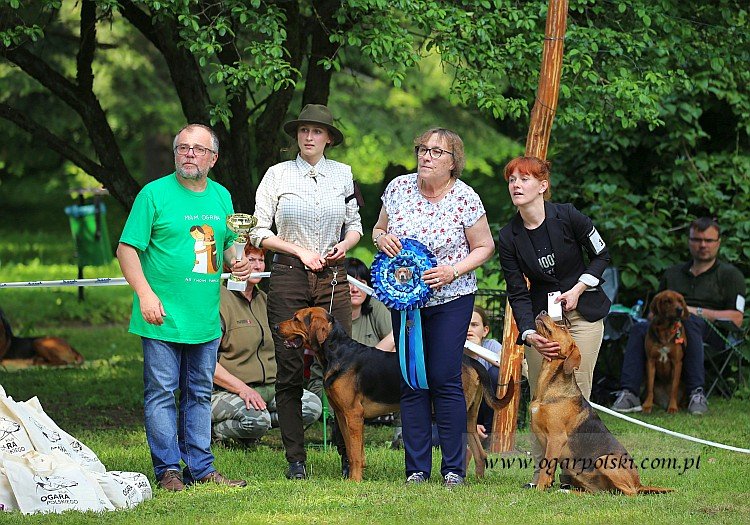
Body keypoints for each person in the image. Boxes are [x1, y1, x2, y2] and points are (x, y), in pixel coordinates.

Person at [116, 123, 250, 491]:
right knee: (161, 394)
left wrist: (236, 261)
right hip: (161, 316)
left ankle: (201, 469)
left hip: (204, 318)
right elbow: (126, 250)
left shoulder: (221, 197)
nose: (189, 154)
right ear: (175, 153)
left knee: (200, 394)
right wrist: (145, 294)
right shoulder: (153, 195)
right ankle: (168, 471)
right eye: (183, 148)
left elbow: (222, 250)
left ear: (213, 158)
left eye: (198, 149)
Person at [372, 127, 495, 487]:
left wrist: (453, 270)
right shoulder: (398, 188)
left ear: (453, 162)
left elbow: (485, 247)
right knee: (412, 381)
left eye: (436, 152)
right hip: (405, 298)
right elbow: (377, 230)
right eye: (422, 149)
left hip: (451, 297)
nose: (426, 156)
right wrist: (383, 239)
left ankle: (454, 468)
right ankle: (416, 470)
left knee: (443, 378)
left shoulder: (466, 198)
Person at [250, 104, 363, 480]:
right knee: (290, 367)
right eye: (303, 131)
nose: (309, 136)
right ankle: (296, 459)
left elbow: (356, 225)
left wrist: (345, 245)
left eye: (317, 131)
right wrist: (298, 250)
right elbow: (256, 231)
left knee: (343, 363)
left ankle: (350, 459)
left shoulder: (343, 175)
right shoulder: (277, 174)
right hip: (289, 275)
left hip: (333, 275)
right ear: (296, 136)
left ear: (329, 138)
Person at [497, 155, 611, 489]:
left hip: (583, 313)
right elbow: (518, 293)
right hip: (544, 324)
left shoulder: (569, 216)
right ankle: (541, 475)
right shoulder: (509, 236)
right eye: (512, 180)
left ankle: (575, 475)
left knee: (577, 392)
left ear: (543, 186)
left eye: (525, 179)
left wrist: (578, 288)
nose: (516, 185)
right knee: (541, 397)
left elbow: (602, 254)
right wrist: (530, 333)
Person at [612, 217, 746, 415]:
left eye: (708, 240)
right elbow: (652, 312)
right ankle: (630, 392)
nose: (703, 245)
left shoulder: (731, 275)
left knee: (689, 323)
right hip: (666, 328)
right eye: (697, 239)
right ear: (689, 241)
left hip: (712, 333)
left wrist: (694, 311)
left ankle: (696, 393)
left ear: (718, 243)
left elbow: (737, 318)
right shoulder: (673, 274)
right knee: (639, 327)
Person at [211, 244, 322, 445]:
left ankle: (254, 428)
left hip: (270, 388)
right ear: (231, 265)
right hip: (227, 391)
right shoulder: (219, 300)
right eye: (250, 259)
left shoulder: (267, 300)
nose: (257, 266)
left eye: (261, 260)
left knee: (311, 406)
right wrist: (242, 389)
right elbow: (206, 363)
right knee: (255, 419)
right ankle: (217, 432)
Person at [466, 306, 502, 444]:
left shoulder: (491, 345)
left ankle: (489, 434)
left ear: (485, 330)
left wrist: (476, 349)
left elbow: (504, 364)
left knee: (495, 373)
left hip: (486, 407)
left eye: (474, 325)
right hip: (463, 408)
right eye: (466, 324)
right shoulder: (456, 347)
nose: (469, 329)